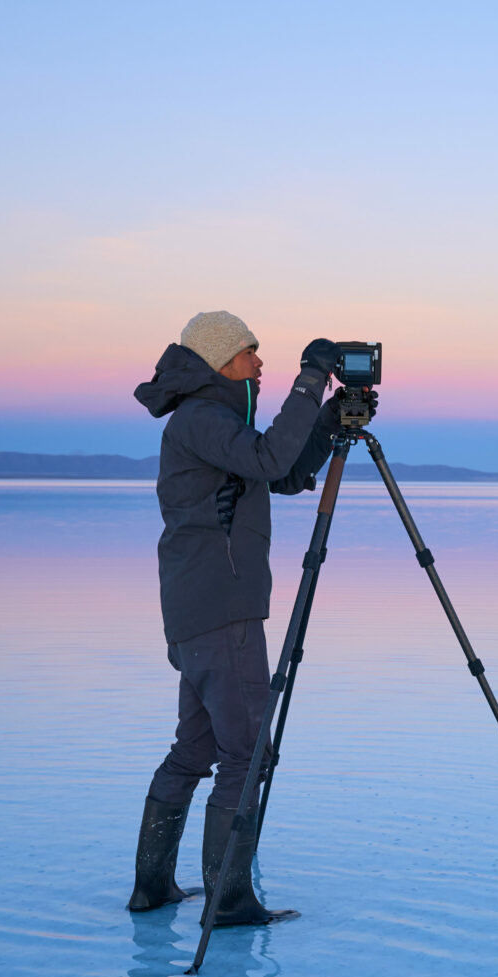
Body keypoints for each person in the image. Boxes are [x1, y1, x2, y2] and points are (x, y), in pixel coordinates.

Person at [128, 311, 344, 925]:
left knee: (195, 750)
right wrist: (310, 383)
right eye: (252, 354)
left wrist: (325, 422)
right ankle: (228, 900)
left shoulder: (213, 423)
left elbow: (284, 472)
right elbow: (273, 458)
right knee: (248, 754)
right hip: (223, 611)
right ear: (223, 361)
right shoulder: (203, 418)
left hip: (201, 610)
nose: (260, 364)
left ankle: (153, 887)